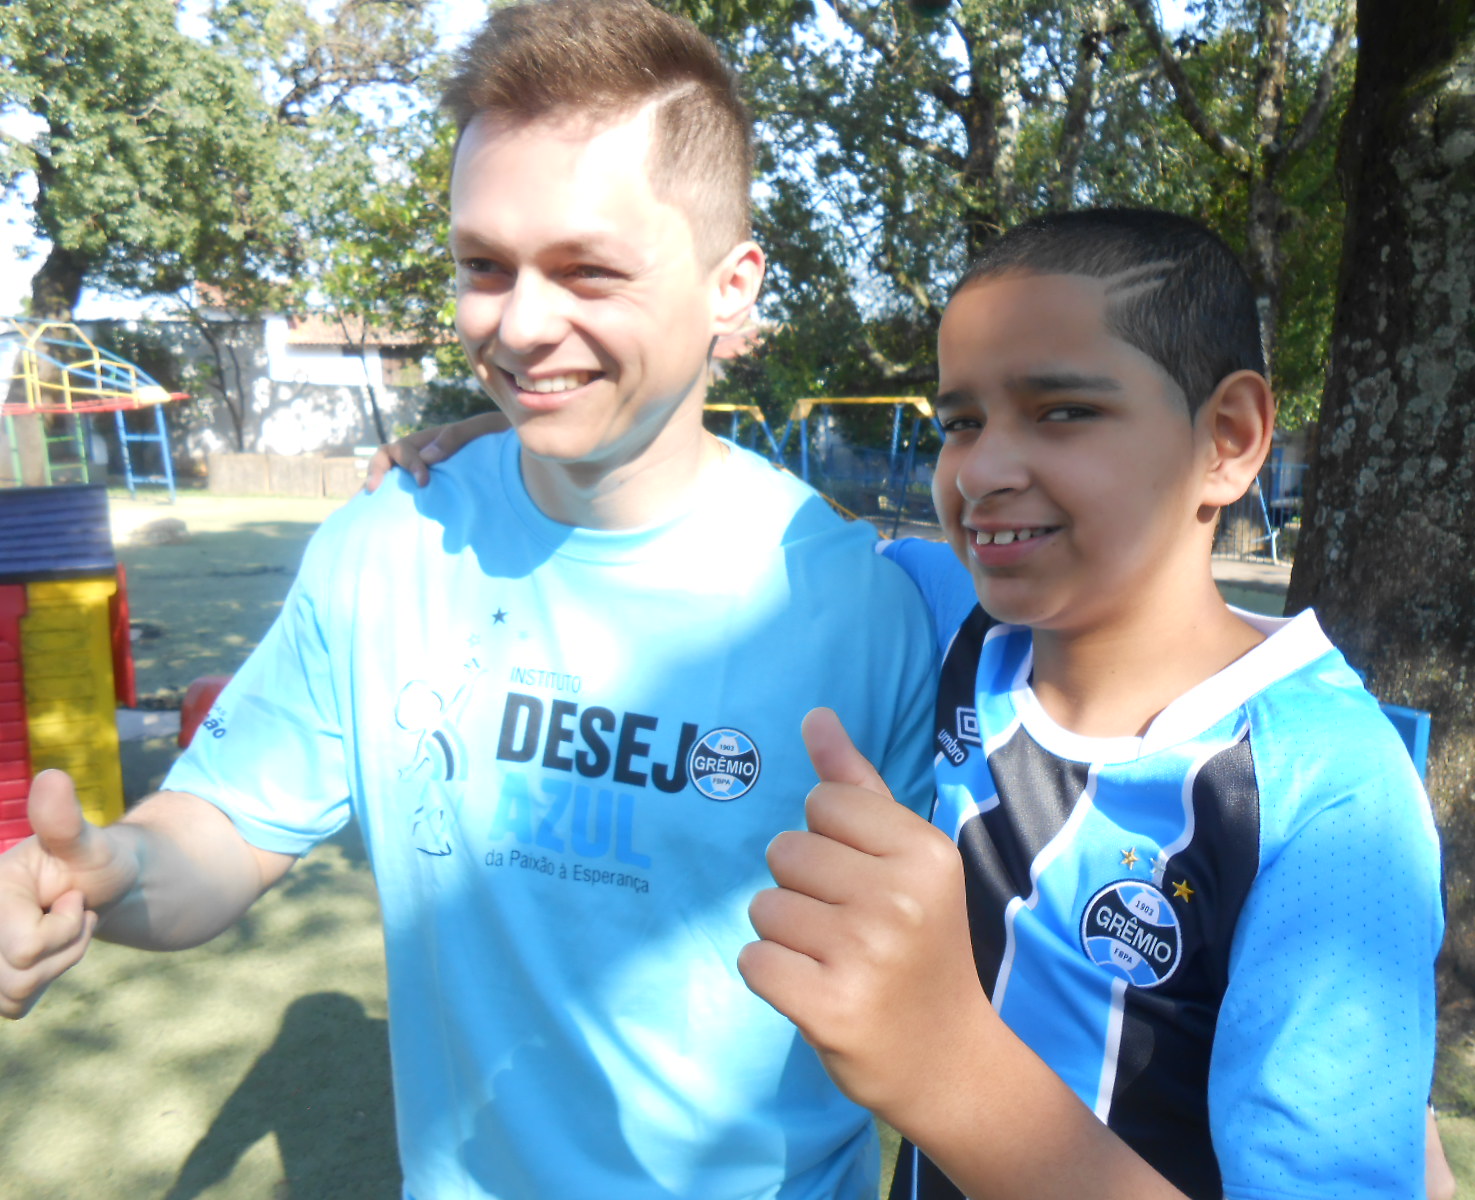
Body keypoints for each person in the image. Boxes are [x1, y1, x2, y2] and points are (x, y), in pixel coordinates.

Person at [0, 3, 938, 1198]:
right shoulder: (388, 542)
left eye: (587, 269)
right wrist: (108, 875)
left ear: (731, 285)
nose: (520, 324)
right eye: (483, 266)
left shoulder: (862, 608)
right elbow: (225, 827)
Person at [736, 208, 1446, 1199]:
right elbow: (711, 514)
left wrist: (943, 1067)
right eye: (960, 422)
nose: (979, 470)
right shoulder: (951, 621)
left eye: (1061, 410)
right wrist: (515, 460)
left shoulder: (1327, 791)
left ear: (1228, 440)